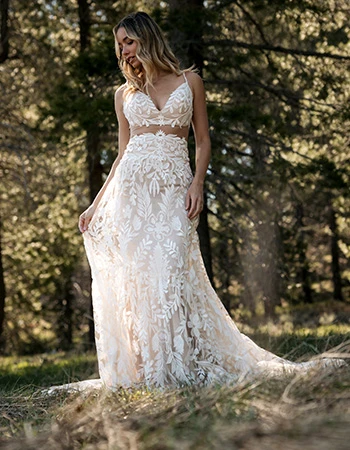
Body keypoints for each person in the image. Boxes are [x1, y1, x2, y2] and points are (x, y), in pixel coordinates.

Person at [73, 11, 342, 391]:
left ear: (146, 38)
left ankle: (181, 361)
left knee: (172, 273)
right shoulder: (124, 95)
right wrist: (96, 205)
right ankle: (152, 371)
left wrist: (198, 184)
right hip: (133, 197)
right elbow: (122, 154)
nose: (124, 51)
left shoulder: (190, 81)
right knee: (141, 281)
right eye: (119, 45)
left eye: (128, 41)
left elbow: (202, 141)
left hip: (176, 192)